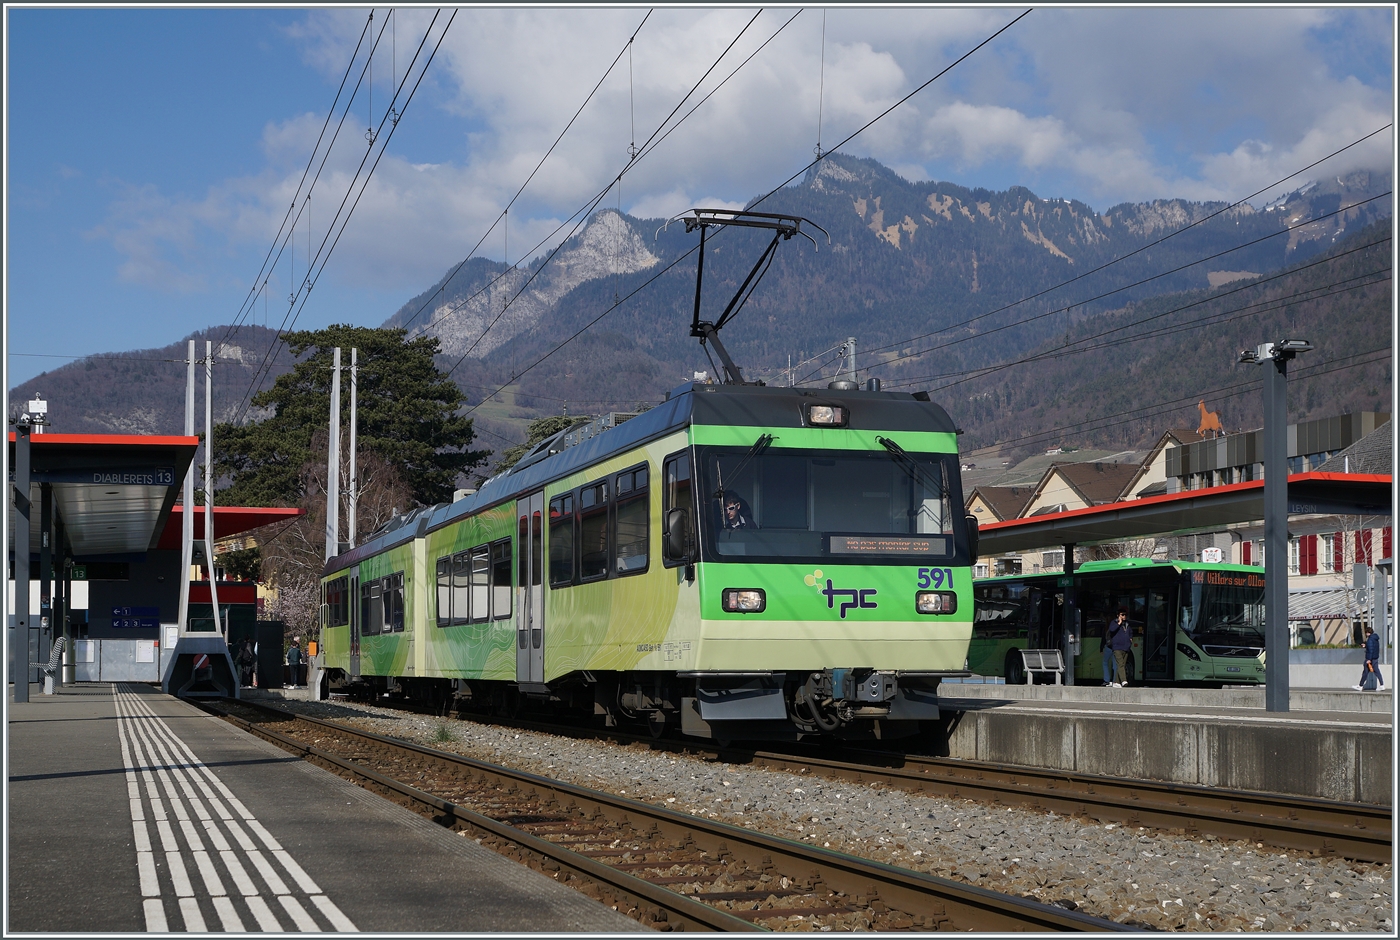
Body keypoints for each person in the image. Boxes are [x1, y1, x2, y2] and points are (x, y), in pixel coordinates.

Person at [1106, 608, 1133, 688]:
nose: (1124, 616)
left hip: (1126, 648)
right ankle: (1124, 680)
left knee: (1122, 665)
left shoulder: (1127, 624)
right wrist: (1119, 623)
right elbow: (1112, 630)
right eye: (1122, 615)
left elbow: (1130, 632)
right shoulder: (1113, 623)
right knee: (1120, 663)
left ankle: (1116, 682)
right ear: (1118, 615)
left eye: (1125, 615)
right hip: (1117, 647)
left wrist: (1130, 639)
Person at [1353, 625, 1385, 691]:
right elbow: (1373, 648)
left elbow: (1370, 650)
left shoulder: (1370, 640)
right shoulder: (1375, 639)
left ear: (1368, 632)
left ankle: (1360, 686)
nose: (1366, 634)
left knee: (1365, 672)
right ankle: (1382, 685)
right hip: (1375, 658)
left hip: (1370, 659)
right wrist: (1366, 645)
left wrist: (1369, 659)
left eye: (1366, 633)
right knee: (1377, 671)